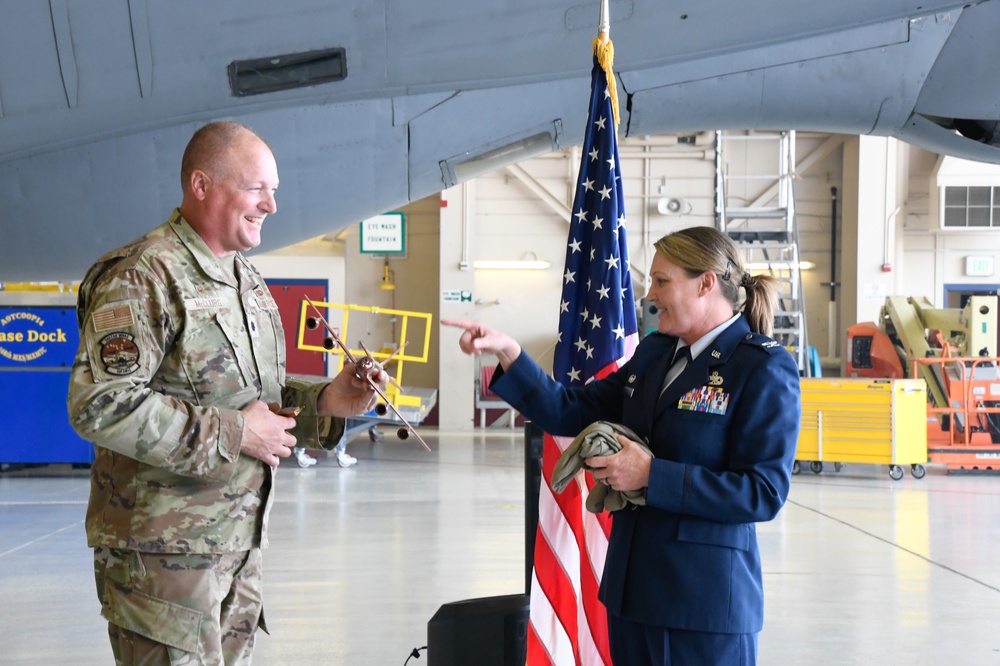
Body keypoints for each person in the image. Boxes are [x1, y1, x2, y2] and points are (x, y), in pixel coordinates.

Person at [66, 120, 386, 665]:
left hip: (237, 552)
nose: (272, 205)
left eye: (275, 190)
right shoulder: (143, 275)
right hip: (162, 562)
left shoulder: (247, 282)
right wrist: (237, 432)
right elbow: (101, 403)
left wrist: (329, 401)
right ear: (202, 185)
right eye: (257, 188)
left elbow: (257, 399)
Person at [443, 226, 801, 665]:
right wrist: (509, 353)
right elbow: (571, 409)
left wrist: (651, 475)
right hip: (632, 593)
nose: (650, 295)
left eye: (663, 281)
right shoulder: (655, 354)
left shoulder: (761, 367)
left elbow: (762, 492)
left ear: (706, 283)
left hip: (702, 606)